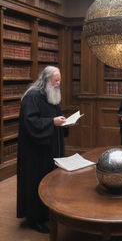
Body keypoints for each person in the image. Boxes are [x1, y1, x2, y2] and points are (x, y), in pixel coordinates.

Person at [17, 66, 67, 234]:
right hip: (35, 151)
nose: (58, 84)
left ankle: (46, 212)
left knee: (49, 179)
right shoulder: (32, 96)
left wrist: (63, 122)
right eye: (56, 81)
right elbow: (31, 122)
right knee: (35, 181)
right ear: (46, 80)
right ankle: (34, 218)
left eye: (59, 80)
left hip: (50, 147)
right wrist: (52, 122)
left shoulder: (49, 93)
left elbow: (53, 116)